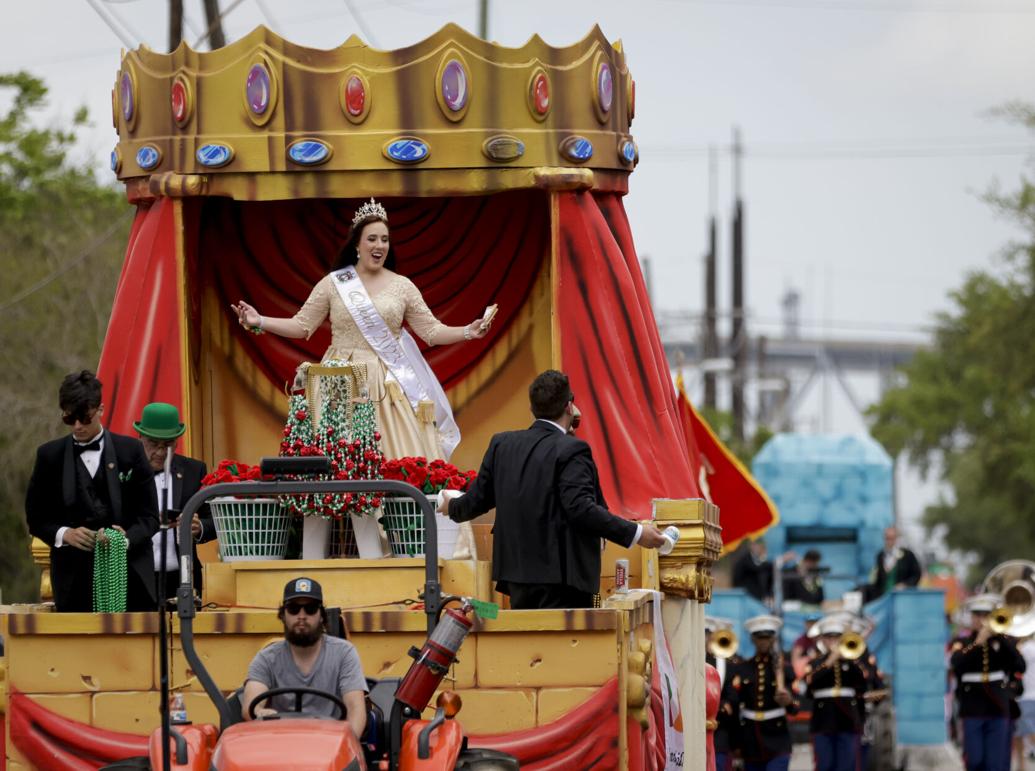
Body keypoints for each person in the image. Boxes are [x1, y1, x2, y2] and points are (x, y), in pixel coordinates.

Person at [230, 198, 493, 462]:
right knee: (335, 457)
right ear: (357, 243)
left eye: (384, 239)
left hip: (385, 382)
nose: (379, 246)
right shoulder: (334, 283)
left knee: (396, 456)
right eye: (372, 239)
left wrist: (468, 331)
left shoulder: (403, 286)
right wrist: (259, 320)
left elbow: (432, 331)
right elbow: (301, 326)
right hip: (338, 380)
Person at [441, 369, 667, 609]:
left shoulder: (502, 444)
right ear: (570, 407)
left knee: (526, 644)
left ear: (532, 409)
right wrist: (638, 534)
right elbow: (580, 508)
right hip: (563, 580)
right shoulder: (572, 449)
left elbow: (476, 501)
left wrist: (450, 506)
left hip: (517, 576)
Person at [25, 371, 159, 612]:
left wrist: (125, 538)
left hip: (130, 580)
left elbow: (150, 517)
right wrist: (65, 534)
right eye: (69, 419)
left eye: (84, 419)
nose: (77, 426)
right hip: (73, 583)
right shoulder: (48, 456)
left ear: (100, 409)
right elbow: (36, 518)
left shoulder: (131, 451)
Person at [243, 577, 367, 740]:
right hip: (280, 744)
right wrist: (259, 712)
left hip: (330, 745)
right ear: (283, 615)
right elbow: (250, 707)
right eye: (294, 609)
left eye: (310, 609)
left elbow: (356, 710)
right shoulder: (266, 658)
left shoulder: (344, 653)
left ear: (321, 615)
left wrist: (347, 745)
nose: (302, 616)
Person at [133, 402, 216, 600]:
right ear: (140, 438)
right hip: (135, 578)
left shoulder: (194, 470)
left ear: (178, 441)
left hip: (182, 578)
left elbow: (216, 521)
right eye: (153, 444)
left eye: (168, 444)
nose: (161, 452)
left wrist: (199, 527)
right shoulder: (125, 471)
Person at [950, 593, 1025, 771]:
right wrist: (978, 643)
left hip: (998, 708)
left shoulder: (1003, 641)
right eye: (978, 615)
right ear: (972, 617)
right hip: (972, 708)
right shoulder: (963, 642)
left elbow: (1019, 665)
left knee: (995, 764)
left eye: (986, 616)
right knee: (975, 761)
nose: (982, 620)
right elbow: (956, 663)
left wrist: (1000, 637)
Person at [728, 615, 797, 771]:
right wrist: (736, 742)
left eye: (767, 637)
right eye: (759, 638)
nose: (763, 641)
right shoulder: (743, 668)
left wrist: (789, 702)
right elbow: (736, 705)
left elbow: (795, 707)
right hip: (750, 738)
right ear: (753, 639)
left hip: (778, 738)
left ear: (773, 639)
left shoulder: (783, 668)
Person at [804, 613, 868, 771]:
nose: (832, 641)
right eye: (828, 637)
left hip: (848, 719)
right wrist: (830, 660)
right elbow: (809, 684)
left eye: (837, 637)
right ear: (822, 640)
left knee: (847, 765)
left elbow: (863, 682)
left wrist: (849, 659)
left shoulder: (852, 662)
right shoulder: (815, 663)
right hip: (823, 720)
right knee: (825, 765)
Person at [706, 616, 742, 771]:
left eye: (707, 634)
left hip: (719, 728)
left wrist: (722, 703)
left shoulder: (725, 664)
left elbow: (732, 695)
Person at [868, 526, 922, 601]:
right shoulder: (880, 556)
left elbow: (917, 574)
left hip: (902, 598)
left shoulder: (908, 555)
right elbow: (877, 580)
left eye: (892, 538)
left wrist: (905, 585)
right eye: (887, 538)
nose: (889, 541)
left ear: (897, 539)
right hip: (884, 598)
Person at [732, 539, 775, 604]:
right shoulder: (745, 558)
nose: (759, 548)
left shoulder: (757, 559)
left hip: (756, 595)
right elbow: (756, 568)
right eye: (757, 546)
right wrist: (777, 561)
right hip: (745, 594)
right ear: (751, 546)